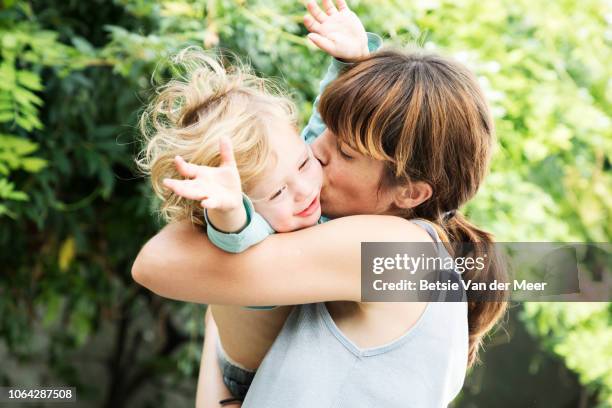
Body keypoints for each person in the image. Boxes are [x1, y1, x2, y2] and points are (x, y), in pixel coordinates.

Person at [132, 0, 508, 406]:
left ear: (411, 193)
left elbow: (157, 263)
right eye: (324, 134)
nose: (316, 150)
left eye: (346, 152)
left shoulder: (397, 249)